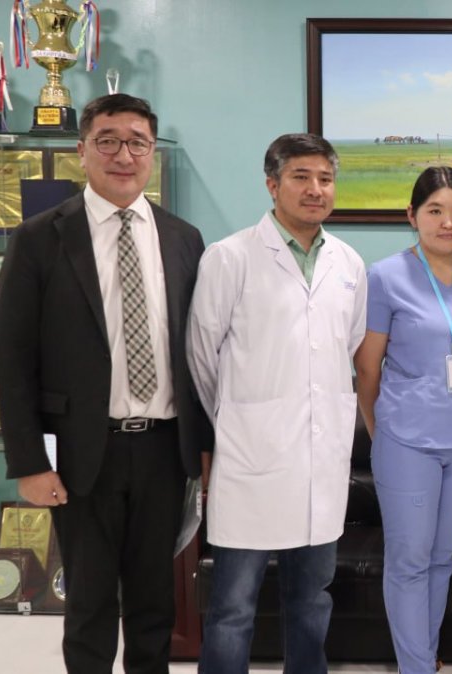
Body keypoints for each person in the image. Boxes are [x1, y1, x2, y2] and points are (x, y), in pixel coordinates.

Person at [0, 93, 211, 674]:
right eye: (108, 141)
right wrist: (29, 463)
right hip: (83, 452)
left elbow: (200, 352)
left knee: (154, 603)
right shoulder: (40, 238)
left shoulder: (183, 238)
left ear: (151, 152)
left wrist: (204, 447)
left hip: (165, 449)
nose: (124, 155)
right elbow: (12, 360)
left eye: (137, 142)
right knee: (88, 604)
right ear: (82, 150)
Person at [187, 133, 368, 674]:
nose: (316, 189)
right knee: (232, 608)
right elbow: (201, 357)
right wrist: (243, 420)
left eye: (325, 179)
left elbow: (347, 347)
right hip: (251, 461)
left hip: (320, 464)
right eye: (301, 177)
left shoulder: (349, 263)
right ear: (272, 184)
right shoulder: (230, 257)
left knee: (312, 601)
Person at [356, 167, 452, 674]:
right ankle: (416, 667)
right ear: (412, 215)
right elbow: (367, 368)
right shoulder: (385, 276)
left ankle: (423, 658)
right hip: (406, 440)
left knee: (441, 558)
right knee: (410, 561)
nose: (448, 222)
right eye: (435, 210)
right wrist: (381, 432)